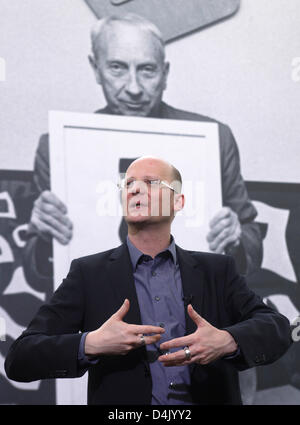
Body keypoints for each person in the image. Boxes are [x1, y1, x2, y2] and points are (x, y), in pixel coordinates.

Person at [5, 156, 292, 405]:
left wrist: (227, 341)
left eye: (151, 183)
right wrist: (90, 343)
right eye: (127, 184)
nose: (135, 189)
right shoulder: (88, 273)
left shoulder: (217, 269)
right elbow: (20, 358)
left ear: (178, 201)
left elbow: (276, 328)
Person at [23, 13, 263, 293]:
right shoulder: (58, 146)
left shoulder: (213, 138)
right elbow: (36, 274)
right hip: (100, 318)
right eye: (117, 68)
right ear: (96, 68)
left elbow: (252, 250)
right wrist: (41, 236)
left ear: (165, 73)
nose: (134, 87)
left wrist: (236, 239)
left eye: (147, 70)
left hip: (190, 313)